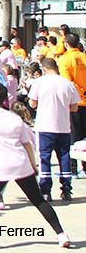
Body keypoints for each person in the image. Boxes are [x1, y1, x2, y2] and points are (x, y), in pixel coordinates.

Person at [0, 82, 71, 249]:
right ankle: (61, 234)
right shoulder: (14, 118)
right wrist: (33, 165)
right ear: (5, 98)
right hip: (20, 163)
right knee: (38, 200)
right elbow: (27, 144)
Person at [28, 57, 80, 201]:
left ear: (43, 69)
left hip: (44, 126)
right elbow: (75, 107)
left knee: (44, 157)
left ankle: (45, 190)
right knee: (64, 157)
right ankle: (66, 189)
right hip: (63, 126)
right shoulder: (67, 84)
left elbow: (32, 103)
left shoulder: (39, 82)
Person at [57, 33, 86, 176]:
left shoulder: (64, 59)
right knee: (84, 136)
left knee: (73, 137)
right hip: (85, 101)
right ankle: (85, 168)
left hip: (74, 102)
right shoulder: (84, 57)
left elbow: (67, 83)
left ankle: (73, 169)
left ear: (66, 44)